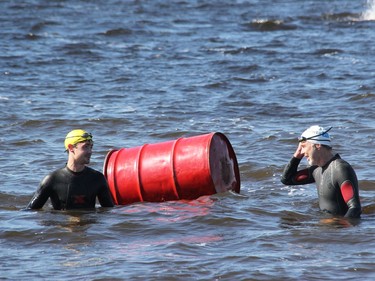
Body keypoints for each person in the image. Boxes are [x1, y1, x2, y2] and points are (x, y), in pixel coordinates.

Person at [281, 125, 361, 218]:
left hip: (337, 228)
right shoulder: (316, 170)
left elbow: (355, 208)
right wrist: (297, 155)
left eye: (303, 147)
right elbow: (287, 180)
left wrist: (339, 228)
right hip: (325, 227)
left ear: (317, 145)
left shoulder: (340, 169)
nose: (302, 152)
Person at [27, 129, 114, 210]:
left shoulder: (97, 178)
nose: (90, 151)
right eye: (85, 147)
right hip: (62, 225)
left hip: (89, 225)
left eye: (91, 147)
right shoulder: (52, 179)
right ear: (71, 148)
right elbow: (30, 211)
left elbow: (108, 211)